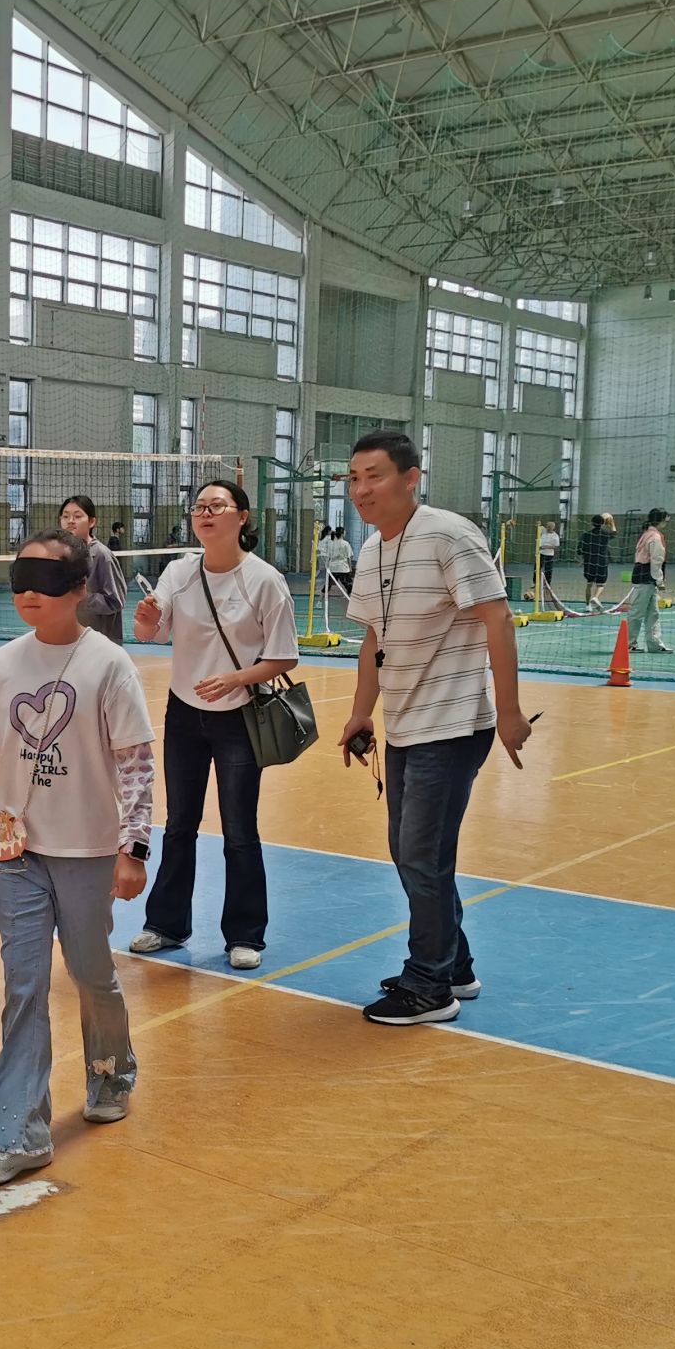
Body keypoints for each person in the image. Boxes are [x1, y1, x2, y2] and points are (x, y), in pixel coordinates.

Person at [0, 529, 154, 1186]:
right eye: (21, 577)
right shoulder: (5, 664)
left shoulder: (109, 665)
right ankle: (18, 1131)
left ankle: (111, 1071)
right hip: (17, 848)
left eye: (47, 578)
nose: (29, 591)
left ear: (80, 588)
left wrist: (133, 849)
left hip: (87, 849)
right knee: (24, 985)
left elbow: (136, 764)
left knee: (90, 973)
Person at [338, 430, 533, 1026]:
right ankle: (455, 967)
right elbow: (374, 638)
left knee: (420, 855)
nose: (361, 490)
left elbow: (498, 618)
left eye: (374, 476)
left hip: (452, 724)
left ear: (410, 478)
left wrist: (509, 711)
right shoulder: (372, 550)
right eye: (354, 479)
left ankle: (429, 986)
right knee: (412, 854)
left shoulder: (449, 535)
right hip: (404, 724)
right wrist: (361, 711)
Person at [127, 479, 298, 970]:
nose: (205, 513)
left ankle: (245, 935)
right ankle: (165, 924)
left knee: (240, 829)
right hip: (184, 713)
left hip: (240, 716)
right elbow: (149, 633)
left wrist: (235, 679)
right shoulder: (179, 572)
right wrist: (145, 618)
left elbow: (284, 656)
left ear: (241, 517)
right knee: (179, 824)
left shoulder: (264, 580)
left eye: (216, 506)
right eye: (199, 506)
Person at [58, 495, 128, 644]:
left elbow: (115, 601)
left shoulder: (102, 555)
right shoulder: (61, 554)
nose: (70, 521)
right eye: (65, 516)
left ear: (91, 522)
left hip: (99, 642)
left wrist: (80, 597)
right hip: (68, 639)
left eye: (77, 516)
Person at [627, 508, 671, 653]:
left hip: (647, 579)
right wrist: (660, 580)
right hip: (645, 578)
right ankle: (629, 644)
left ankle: (655, 645)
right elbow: (656, 560)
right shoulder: (654, 536)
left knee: (653, 614)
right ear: (661, 519)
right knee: (637, 613)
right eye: (666, 519)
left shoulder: (648, 533)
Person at [579, 513, 616, 609]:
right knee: (601, 585)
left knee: (589, 584)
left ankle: (588, 606)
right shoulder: (605, 534)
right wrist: (612, 523)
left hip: (589, 562)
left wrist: (582, 559)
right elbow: (614, 533)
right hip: (601, 562)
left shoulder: (586, 535)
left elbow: (579, 550)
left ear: (592, 523)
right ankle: (595, 597)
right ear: (603, 523)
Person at [536, 520, 562, 606]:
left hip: (549, 554)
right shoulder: (544, 531)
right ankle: (534, 582)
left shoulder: (555, 536)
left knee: (548, 570)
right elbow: (539, 527)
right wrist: (538, 524)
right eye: (547, 526)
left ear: (553, 528)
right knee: (537, 568)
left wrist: (545, 547)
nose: (548, 528)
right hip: (540, 553)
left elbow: (556, 546)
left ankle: (547, 584)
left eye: (549, 527)